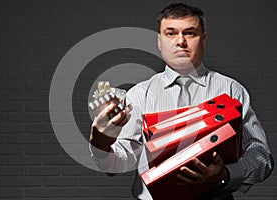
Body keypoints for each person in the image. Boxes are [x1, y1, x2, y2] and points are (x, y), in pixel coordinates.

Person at [89, 3, 274, 200]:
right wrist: (101, 143)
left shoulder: (231, 90)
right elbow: (119, 164)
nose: (180, 42)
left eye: (190, 33)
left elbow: (261, 156)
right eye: (171, 33)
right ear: (159, 42)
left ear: (203, 39)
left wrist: (226, 174)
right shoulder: (140, 94)